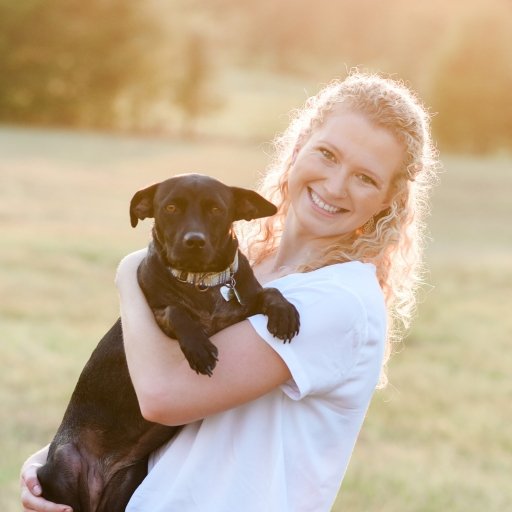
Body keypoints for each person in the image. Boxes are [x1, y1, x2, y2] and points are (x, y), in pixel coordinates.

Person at [20, 71, 439, 512]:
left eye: (365, 178)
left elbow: (164, 396)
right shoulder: (240, 269)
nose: (335, 186)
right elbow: (137, 393)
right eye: (328, 154)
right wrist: (57, 459)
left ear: (389, 199)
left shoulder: (338, 300)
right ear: (299, 146)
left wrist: (130, 272)